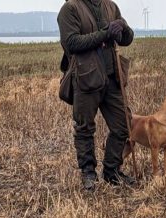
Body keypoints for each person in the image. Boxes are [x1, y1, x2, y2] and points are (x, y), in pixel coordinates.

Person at [57, 0, 135, 191]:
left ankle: (112, 171)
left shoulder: (110, 6)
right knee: (84, 127)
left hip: (112, 77)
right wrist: (105, 33)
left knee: (124, 124)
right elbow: (71, 43)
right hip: (86, 76)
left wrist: (122, 26)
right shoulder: (70, 8)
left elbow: (127, 39)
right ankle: (88, 173)